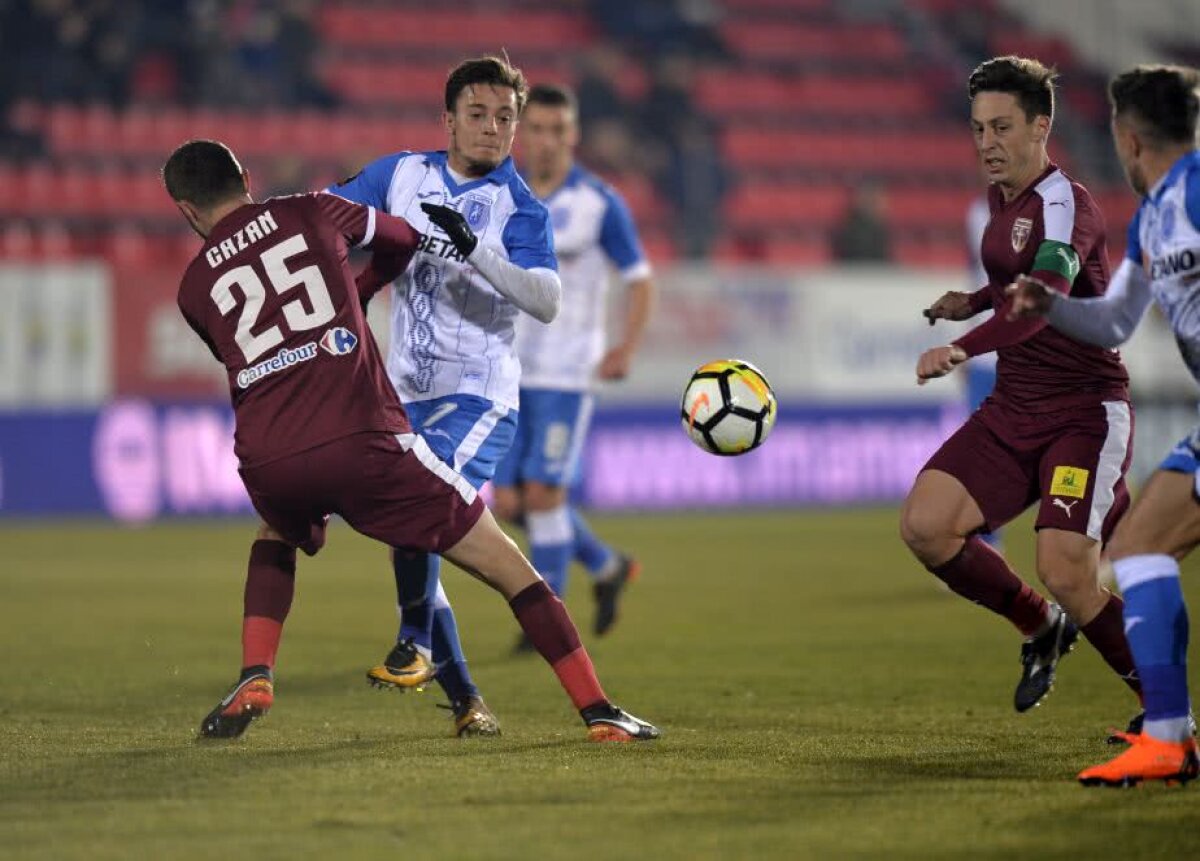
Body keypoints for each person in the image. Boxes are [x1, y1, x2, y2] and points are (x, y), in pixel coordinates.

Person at [166, 138, 658, 743]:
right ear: (244, 173)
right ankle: (597, 709)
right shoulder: (309, 209)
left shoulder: (192, 288)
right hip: (362, 437)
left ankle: (255, 672)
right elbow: (401, 237)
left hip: (269, 457)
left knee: (275, 534)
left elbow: (247, 347)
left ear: (187, 210)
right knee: (502, 561)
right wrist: (364, 286)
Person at [899, 56, 1143, 719]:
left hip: (1083, 414)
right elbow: (1015, 278)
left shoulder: (1068, 204)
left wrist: (961, 345)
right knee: (925, 525)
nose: (987, 144)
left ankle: (1169, 712)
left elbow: (1041, 298)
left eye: (1002, 127)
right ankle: (1040, 627)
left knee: (1067, 568)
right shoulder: (999, 194)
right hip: (1015, 407)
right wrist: (973, 301)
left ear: (1043, 126)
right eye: (978, 129)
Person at [326, 56, 561, 736]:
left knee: (417, 506)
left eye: (505, 118)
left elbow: (545, 301)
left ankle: (418, 640)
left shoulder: (521, 206)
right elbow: (329, 211)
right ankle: (466, 700)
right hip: (402, 394)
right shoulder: (401, 174)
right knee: (415, 523)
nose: (493, 129)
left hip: (479, 395)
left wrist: (476, 252)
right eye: (479, 115)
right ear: (449, 120)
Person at [1007, 65, 1200, 786]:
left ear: (1127, 135)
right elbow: (1117, 318)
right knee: (1141, 545)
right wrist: (1047, 304)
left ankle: (1168, 734)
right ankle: (1168, 736)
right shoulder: (1155, 216)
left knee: (1140, 545)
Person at [490, 83, 655, 646]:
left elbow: (639, 280)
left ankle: (546, 624)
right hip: (509, 370)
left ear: (573, 135)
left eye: (558, 130)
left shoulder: (599, 202)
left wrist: (624, 348)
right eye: (535, 128)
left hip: (569, 374)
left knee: (543, 496)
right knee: (508, 502)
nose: (546, 141)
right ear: (519, 134)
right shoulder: (500, 195)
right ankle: (607, 565)